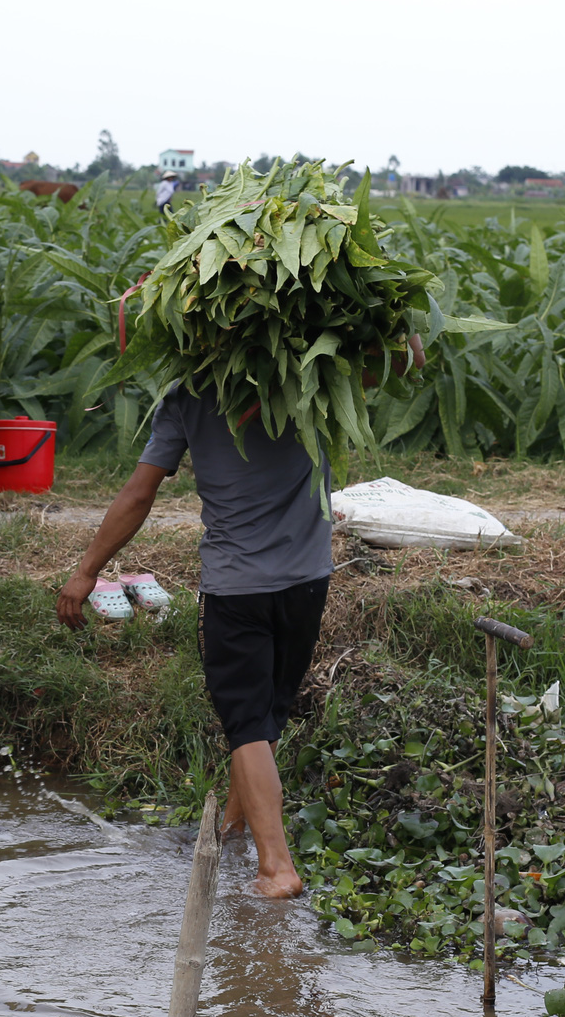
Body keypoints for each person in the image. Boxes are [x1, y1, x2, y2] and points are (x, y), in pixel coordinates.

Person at [56, 336, 425, 898]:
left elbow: (139, 493)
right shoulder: (314, 380)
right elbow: (406, 361)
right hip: (308, 584)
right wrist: (396, 320)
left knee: (247, 725)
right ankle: (232, 827)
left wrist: (87, 571)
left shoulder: (189, 396)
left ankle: (276, 868)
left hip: (236, 590)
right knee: (264, 716)